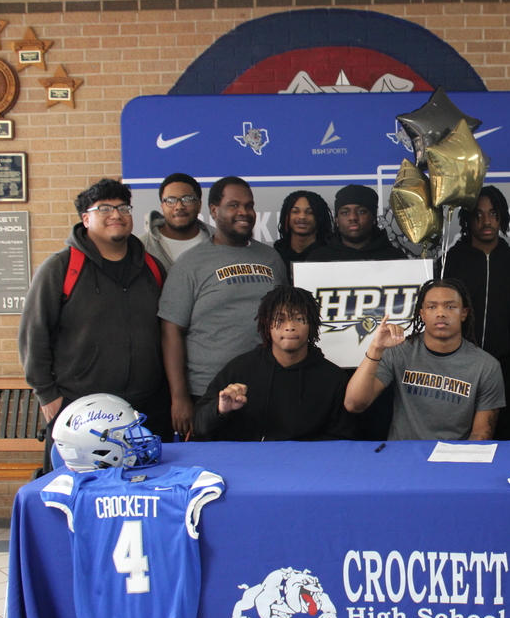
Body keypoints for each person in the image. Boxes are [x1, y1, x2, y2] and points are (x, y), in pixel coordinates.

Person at [18, 178, 171, 473]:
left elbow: (167, 332)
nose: (116, 214)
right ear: (85, 218)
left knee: (149, 497)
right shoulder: (60, 268)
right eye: (104, 208)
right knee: (79, 501)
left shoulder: (152, 267)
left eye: (123, 207)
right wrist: (48, 397)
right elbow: (33, 335)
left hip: (146, 409)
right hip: (81, 412)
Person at [159, 176, 289, 439]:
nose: (244, 212)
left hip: (267, 387)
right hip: (208, 392)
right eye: (234, 205)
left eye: (249, 205)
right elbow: (171, 331)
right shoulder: (190, 263)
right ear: (214, 210)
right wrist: (179, 398)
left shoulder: (271, 258)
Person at [345, 279, 505, 441]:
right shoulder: (399, 352)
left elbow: (481, 433)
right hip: (404, 455)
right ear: (422, 314)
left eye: (450, 306)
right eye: (432, 307)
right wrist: (376, 348)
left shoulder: (486, 366)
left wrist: (460, 461)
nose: (441, 313)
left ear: (464, 313)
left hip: (453, 457)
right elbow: (354, 404)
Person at [193, 286, 353, 441]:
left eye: (299, 319)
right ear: (266, 324)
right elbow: (198, 424)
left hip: (305, 464)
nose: (290, 327)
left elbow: (343, 438)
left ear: (312, 325)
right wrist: (220, 409)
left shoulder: (333, 378)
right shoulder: (240, 369)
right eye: (279, 320)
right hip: (248, 464)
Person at [442, 186, 510, 439]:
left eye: (493, 213)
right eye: (477, 215)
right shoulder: (450, 261)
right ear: (467, 220)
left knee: (506, 442)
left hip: (506, 372)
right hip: (458, 369)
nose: (486, 221)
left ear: (502, 217)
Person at [309, 184, 408, 261]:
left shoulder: (395, 257)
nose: (353, 217)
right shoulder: (318, 259)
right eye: (345, 212)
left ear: (373, 217)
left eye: (361, 212)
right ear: (336, 219)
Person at [141, 172, 213, 271]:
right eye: (171, 201)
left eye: (187, 199)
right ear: (162, 206)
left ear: (199, 205)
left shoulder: (219, 243)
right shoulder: (141, 246)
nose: (179, 207)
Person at [272, 190, 334, 273]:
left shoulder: (331, 254)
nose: (302, 217)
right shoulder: (276, 255)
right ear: (287, 217)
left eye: (310, 212)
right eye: (295, 211)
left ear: (319, 218)